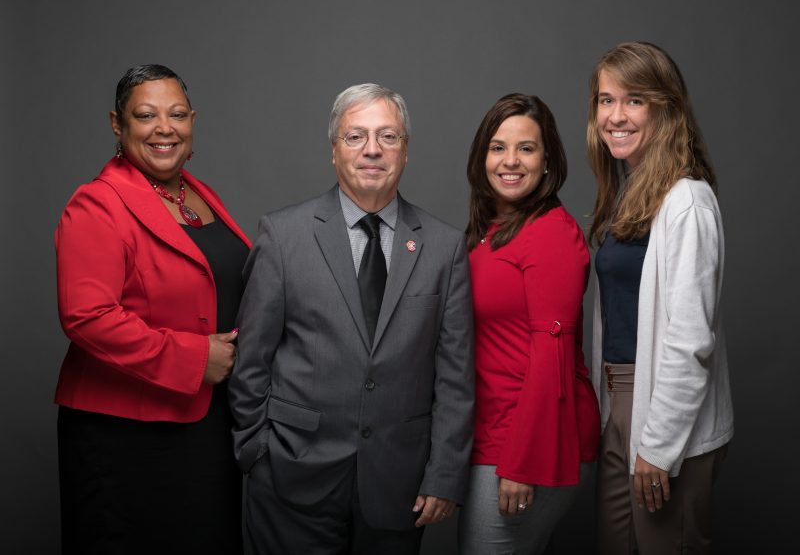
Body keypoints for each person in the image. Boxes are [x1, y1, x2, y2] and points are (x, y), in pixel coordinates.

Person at [228, 83, 474, 554]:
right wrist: (255, 451)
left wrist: (444, 473)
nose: (372, 150)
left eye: (388, 136)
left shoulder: (445, 248)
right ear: (334, 150)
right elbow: (250, 360)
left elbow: (455, 377)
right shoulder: (283, 235)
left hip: (398, 485)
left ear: (405, 151)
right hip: (291, 478)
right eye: (355, 136)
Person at [55, 64, 250, 554]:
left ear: (192, 121)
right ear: (118, 125)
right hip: (128, 435)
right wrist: (194, 359)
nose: (165, 127)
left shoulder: (198, 194)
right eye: (146, 115)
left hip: (206, 424)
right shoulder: (97, 204)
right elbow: (87, 316)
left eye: (177, 114)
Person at [587, 42, 734, 553]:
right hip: (621, 405)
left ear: (665, 108)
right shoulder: (628, 195)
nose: (615, 116)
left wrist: (658, 445)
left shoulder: (687, 201)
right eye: (606, 100)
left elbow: (690, 339)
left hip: (665, 417)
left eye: (634, 100)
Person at [457, 93, 601, 554]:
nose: (510, 161)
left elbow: (552, 356)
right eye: (498, 147)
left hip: (528, 445)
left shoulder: (550, 233)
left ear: (547, 160)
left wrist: (523, 464)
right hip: (491, 435)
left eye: (526, 148)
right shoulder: (492, 231)